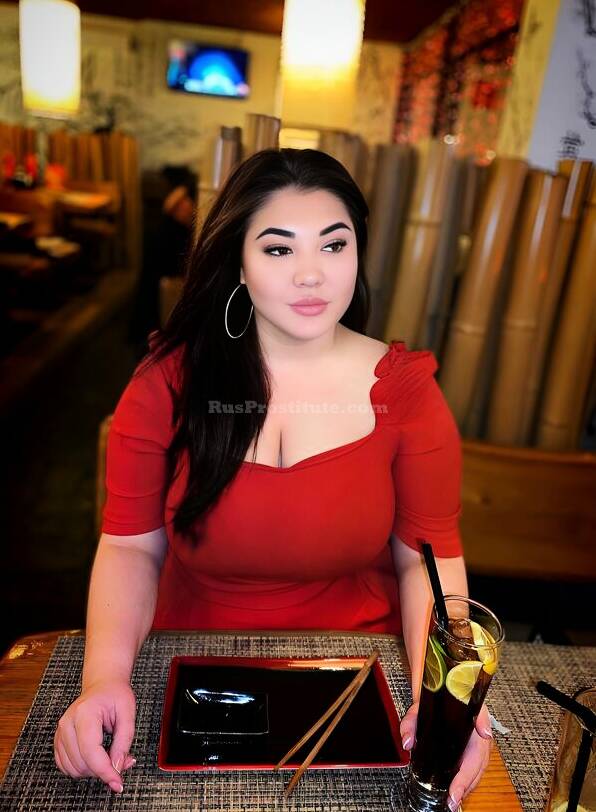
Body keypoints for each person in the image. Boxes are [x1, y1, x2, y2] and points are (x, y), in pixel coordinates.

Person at [54, 148, 492, 810]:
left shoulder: (406, 393)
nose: (311, 273)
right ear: (238, 261)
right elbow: (130, 546)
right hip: (187, 664)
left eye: (334, 245)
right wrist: (103, 680)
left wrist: (447, 695)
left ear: (357, 253)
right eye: (279, 249)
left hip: (357, 672)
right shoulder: (166, 382)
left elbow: (427, 562)